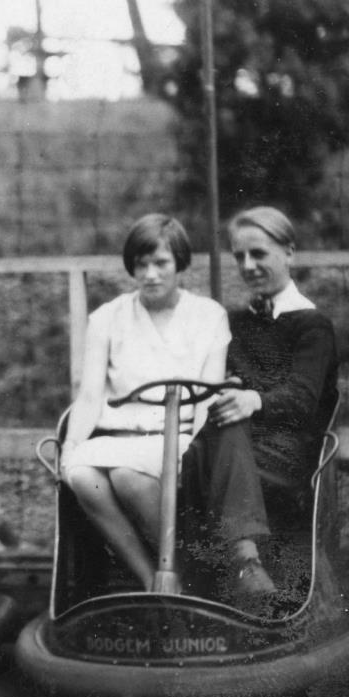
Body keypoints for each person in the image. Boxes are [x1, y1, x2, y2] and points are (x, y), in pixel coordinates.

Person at [60, 214, 244, 594]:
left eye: (160, 263)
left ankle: (184, 568)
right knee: (80, 474)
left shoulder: (208, 317)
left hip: (177, 439)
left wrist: (198, 454)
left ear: (179, 263)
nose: (150, 274)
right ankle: (148, 575)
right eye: (141, 265)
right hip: (119, 436)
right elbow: (91, 394)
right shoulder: (108, 317)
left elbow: (209, 396)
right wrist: (71, 445)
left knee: (128, 478)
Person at [181, 206, 338, 602]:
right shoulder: (236, 322)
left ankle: (244, 561)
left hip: (284, 454)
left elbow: (302, 400)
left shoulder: (312, 326)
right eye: (239, 256)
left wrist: (252, 398)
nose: (248, 265)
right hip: (232, 449)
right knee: (186, 446)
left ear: (289, 253)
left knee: (226, 418)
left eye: (259, 254)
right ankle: (178, 585)